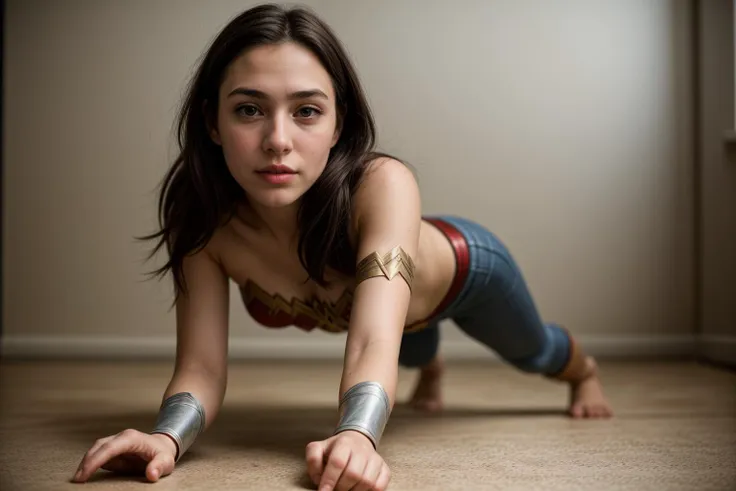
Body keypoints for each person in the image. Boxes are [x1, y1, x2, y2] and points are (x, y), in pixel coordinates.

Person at [71, 3, 612, 490]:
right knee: (408, 336)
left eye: (306, 111)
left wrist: (357, 435)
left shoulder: (384, 184)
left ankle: (583, 372)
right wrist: (166, 438)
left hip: (466, 272)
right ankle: (432, 366)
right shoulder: (203, 220)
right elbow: (202, 368)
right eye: (249, 110)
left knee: (534, 352)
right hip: (396, 314)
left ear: (339, 124)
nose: (278, 140)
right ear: (212, 120)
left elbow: (373, 337)